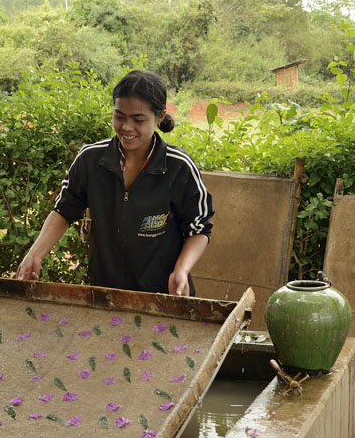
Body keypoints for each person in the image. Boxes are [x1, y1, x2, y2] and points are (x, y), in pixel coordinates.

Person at [16, 70, 212, 296]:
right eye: (119, 117)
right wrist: (35, 254)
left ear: (159, 117)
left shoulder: (179, 167)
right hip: (105, 293)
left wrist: (181, 270)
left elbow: (198, 228)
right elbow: (64, 210)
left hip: (165, 295)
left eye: (138, 119)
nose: (126, 127)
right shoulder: (91, 160)